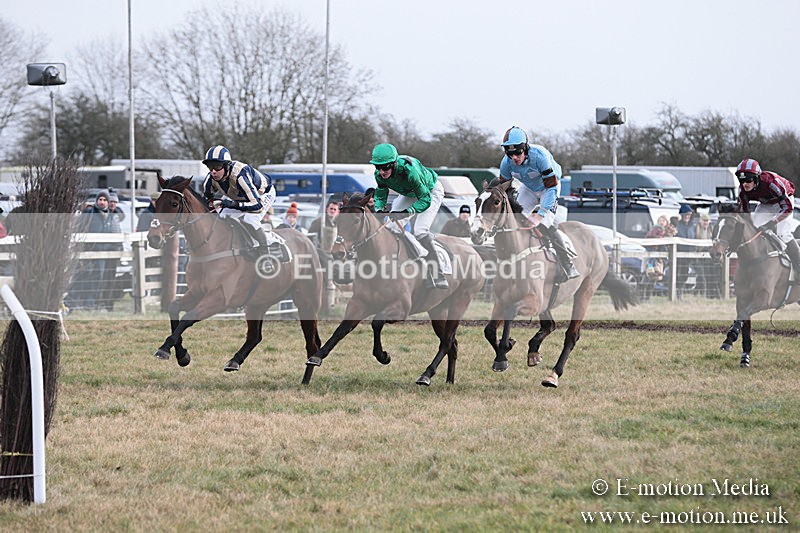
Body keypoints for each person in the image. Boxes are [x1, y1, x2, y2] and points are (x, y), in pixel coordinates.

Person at [499, 126, 578, 281]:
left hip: (549, 187)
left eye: (518, 153)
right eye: (510, 154)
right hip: (528, 188)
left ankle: (567, 263)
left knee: (544, 224)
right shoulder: (506, 164)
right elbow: (503, 190)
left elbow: (551, 188)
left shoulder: (539, 156)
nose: (514, 158)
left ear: (525, 148)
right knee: (515, 219)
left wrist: (540, 215)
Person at [369, 142, 448, 289]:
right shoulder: (379, 175)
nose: (381, 172)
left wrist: (406, 212)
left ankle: (437, 273)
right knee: (391, 228)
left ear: (393, 164)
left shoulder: (411, 171)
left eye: (385, 167)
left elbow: (425, 200)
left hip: (430, 192)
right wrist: (379, 210)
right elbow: (380, 194)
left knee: (420, 231)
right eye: (378, 167)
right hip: (409, 193)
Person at [201, 145, 276, 259]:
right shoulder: (210, 179)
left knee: (250, 218)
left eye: (217, 166)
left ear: (227, 165)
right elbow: (207, 200)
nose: (213, 171)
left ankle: (265, 254)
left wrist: (233, 204)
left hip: (262, 195)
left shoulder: (240, 175)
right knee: (222, 215)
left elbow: (257, 205)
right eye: (210, 167)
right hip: (241, 197)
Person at [735, 158, 800, 272]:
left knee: (783, 233)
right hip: (767, 204)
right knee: (754, 228)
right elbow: (745, 213)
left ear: (756, 178)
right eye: (742, 181)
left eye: (748, 180)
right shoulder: (742, 191)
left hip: (785, 203)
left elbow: (788, 208)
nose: (745, 184)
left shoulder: (771, 183)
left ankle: (798, 264)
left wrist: (771, 223)